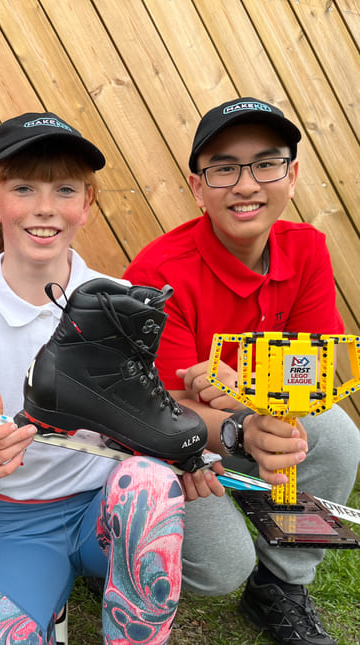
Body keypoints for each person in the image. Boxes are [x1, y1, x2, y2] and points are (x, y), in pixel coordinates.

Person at [0, 112, 216, 645]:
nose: (45, 206)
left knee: (150, 483)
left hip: (111, 505)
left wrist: (178, 456)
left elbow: (144, 412)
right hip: (22, 523)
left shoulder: (121, 301)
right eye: (23, 187)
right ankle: (47, 596)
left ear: (87, 203)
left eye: (64, 188)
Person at [124, 97, 360, 645]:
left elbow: (311, 374)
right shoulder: (157, 272)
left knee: (339, 438)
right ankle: (112, 549)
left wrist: (248, 391)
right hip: (171, 438)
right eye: (224, 167)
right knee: (214, 569)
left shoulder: (307, 250)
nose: (246, 184)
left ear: (292, 174)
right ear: (196, 186)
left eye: (266, 163)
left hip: (250, 412)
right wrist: (242, 421)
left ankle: (280, 584)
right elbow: (156, 406)